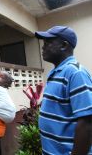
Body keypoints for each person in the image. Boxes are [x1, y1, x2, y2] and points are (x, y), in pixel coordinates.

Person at [35, 26, 92, 154]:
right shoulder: (55, 73)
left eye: (48, 42)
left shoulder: (76, 73)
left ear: (63, 45)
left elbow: (87, 123)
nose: (43, 47)